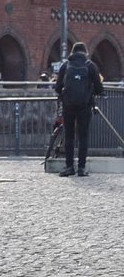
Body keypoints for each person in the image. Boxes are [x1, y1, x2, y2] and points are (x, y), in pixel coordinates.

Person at [54, 41, 105, 177]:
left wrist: (66, 94)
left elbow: (57, 87)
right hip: (84, 106)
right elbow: (99, 89)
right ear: (85, 52)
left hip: (68, 106)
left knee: (69, 136)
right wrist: (90, 92)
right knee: (83, 137)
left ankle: (69, 167)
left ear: (72, 52)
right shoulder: (90, 66)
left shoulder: (66, 65)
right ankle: (81, 168)